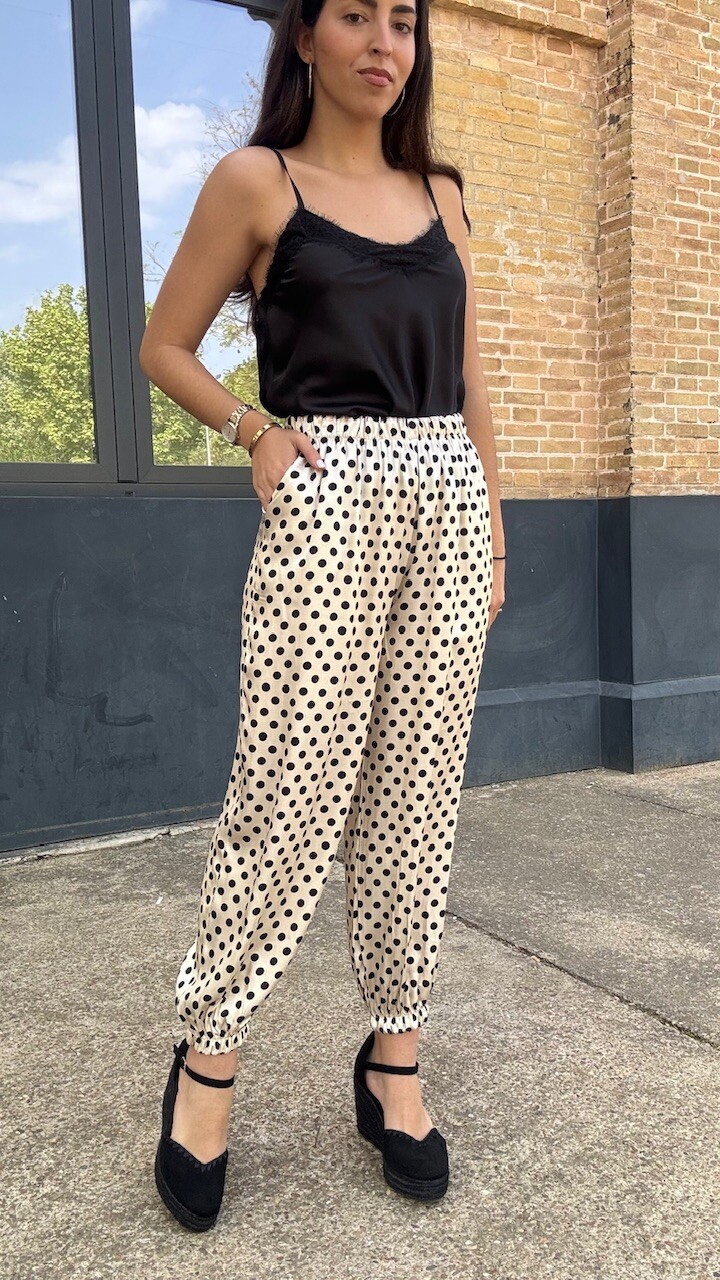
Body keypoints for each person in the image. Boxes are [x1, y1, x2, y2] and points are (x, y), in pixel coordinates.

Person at [139, 0, 506, 1233]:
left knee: (418, 792)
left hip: (447, 497)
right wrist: (255, 431)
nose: (383, 42)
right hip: (327, 494)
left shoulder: (443, 195)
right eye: (356, 14)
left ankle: (394, 1057)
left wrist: (495, 526)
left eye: (403, 19)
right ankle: (209, 1060)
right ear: (305, 36)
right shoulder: (259, 181)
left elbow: (470, 378)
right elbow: (163, 345)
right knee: (288, 789)